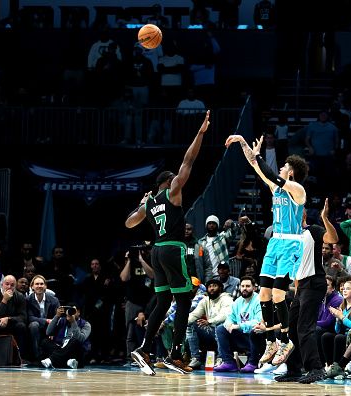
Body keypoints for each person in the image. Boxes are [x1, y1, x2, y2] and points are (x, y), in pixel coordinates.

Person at [125, 110, 210, 375]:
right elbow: (189, 159)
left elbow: (128, 223)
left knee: (163, 302)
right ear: (167, 182)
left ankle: (144, 348)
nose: (179, 184)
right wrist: (200, 133)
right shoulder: (173, 191)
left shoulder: (149, 203)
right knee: (184, 301)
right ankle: (174, 354)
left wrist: (142, 204)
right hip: (173, 249)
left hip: (156, 251)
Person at [225, 133, 307, 368]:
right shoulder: (276, 189)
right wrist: (243, 143)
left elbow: (269, 172)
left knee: (280, 295)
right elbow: (256, 166)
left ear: (291, 172)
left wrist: (260, 156)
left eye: (284, 166)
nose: (279, 168)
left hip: (291, 243)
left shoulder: (298, 190)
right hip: (274, 243)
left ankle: (286, 340)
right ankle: (271, 340)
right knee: (264, 294)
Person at [274, 199, 339, 384]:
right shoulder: (290, 237)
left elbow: (333, 239)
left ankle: (316, 368)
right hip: (301, 286)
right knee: (293, 329)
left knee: (304, 328)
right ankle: (294, 369)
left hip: (315, 282)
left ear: (301, 215)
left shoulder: (313, 231)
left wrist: (324, 218)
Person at [213, 276, 264, 373]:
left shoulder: (258, 300)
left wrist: (239, 325)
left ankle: (253, 362)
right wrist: (229, 324)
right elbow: (229, 318)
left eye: (248, 286)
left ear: (254, 287)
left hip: (256, 337)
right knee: (221, 329)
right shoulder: (237, 301)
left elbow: (258, 321)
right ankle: (228, 362)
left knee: (256, 330)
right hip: (242, 337)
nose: (245, 288)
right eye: (242, 286)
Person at [186, 278, 233, 369]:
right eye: (210, 286)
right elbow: (194, 314)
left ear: (220, 288)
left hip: (226, 332)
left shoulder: (227, 299)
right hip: (210, 331)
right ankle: (195, 358)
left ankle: (221, 358)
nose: (212, 288)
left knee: (219, 327)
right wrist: (181, 324)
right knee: (190, 325)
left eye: (214, 286)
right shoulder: (205, 300)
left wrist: (209, 321)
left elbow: (225, 315)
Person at [27, 275, 60, 362]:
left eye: (42, 284)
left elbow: (58, 317)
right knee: (34, 325)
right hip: (35, 326)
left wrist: (52, 327)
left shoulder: (54, 300)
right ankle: (37, 356)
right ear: (32, 287)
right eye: (37, 284)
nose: (39, 286)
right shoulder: (27, 300)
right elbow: (29, 317)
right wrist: (46, 321)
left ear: (45, 286)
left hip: (50, 327)